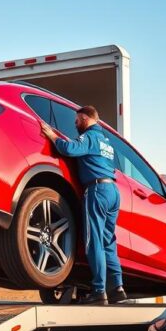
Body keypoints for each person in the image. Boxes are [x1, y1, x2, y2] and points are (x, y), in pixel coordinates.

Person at [39, 106, 126, 305]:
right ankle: (117, 288)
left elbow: (69, 149)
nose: (75, 124)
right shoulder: (106, 142)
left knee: (94, 241)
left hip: (97, 190)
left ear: (86, 118)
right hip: (113, 192)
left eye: (77, 120)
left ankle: (99, 291)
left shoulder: (89, 137)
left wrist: (52, 135)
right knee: (108, 242)